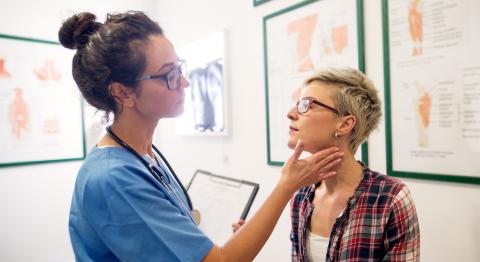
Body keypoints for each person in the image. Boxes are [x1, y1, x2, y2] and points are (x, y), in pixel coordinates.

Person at [60, 11, 345, 262]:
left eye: (180, 67)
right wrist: (286, 186)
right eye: (168, 75)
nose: (184, 81)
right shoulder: (113, 179)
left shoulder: (145, 153)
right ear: (123, 92)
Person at [287, 68, 420, 261]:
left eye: (306, 104)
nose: (291, 113)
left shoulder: (391, 199)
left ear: (344, 124)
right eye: (297, 104)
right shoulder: (299, 195)